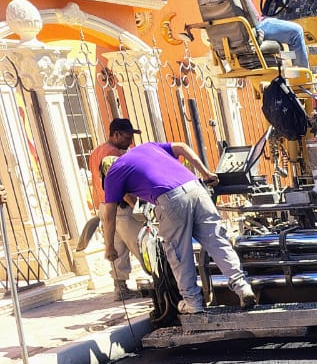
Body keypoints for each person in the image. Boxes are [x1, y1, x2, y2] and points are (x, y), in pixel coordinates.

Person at [101, 141, 256, 315]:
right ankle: (243, 288)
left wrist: (109, 247)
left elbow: (108, 216)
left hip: (171, 200)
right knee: (218, 242)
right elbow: (182, 146)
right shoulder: (147, 148)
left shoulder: (113, 174)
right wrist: (206, 173)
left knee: (178, 253)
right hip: (196, 189)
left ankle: (193, 303)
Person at [88, 118, 148, 300]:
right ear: (115, 134)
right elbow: (118, 186)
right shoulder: (113, 155)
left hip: (105, 206)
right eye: (127, 137)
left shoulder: (97, 151)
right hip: (120, 207)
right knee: (142, 245)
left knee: (117, 248)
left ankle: (120, 287)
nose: (130, 142)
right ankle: (164, 281)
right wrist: (136, 205)